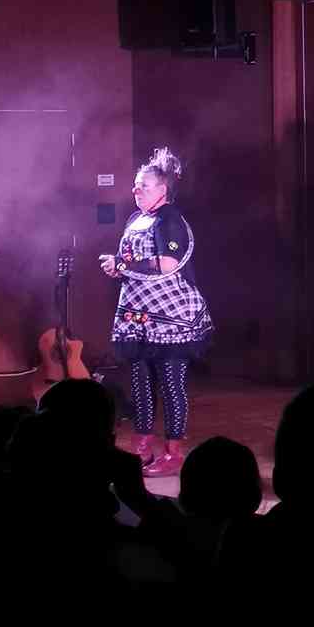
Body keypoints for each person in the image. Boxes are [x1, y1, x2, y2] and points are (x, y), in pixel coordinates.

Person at [99, 147, 213, 477]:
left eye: (144, 186)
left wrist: (124, 265)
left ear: (163, 189)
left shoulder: (169, 219)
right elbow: (130, 260)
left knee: (171, 386)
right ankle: (142, 449)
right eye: (135, 185)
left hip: (170, 318)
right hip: (139, 315)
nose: (136, 190)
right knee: (140, 383)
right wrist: (117, 267)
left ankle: (173, 454)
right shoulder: (136, 219)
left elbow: (167, 264)